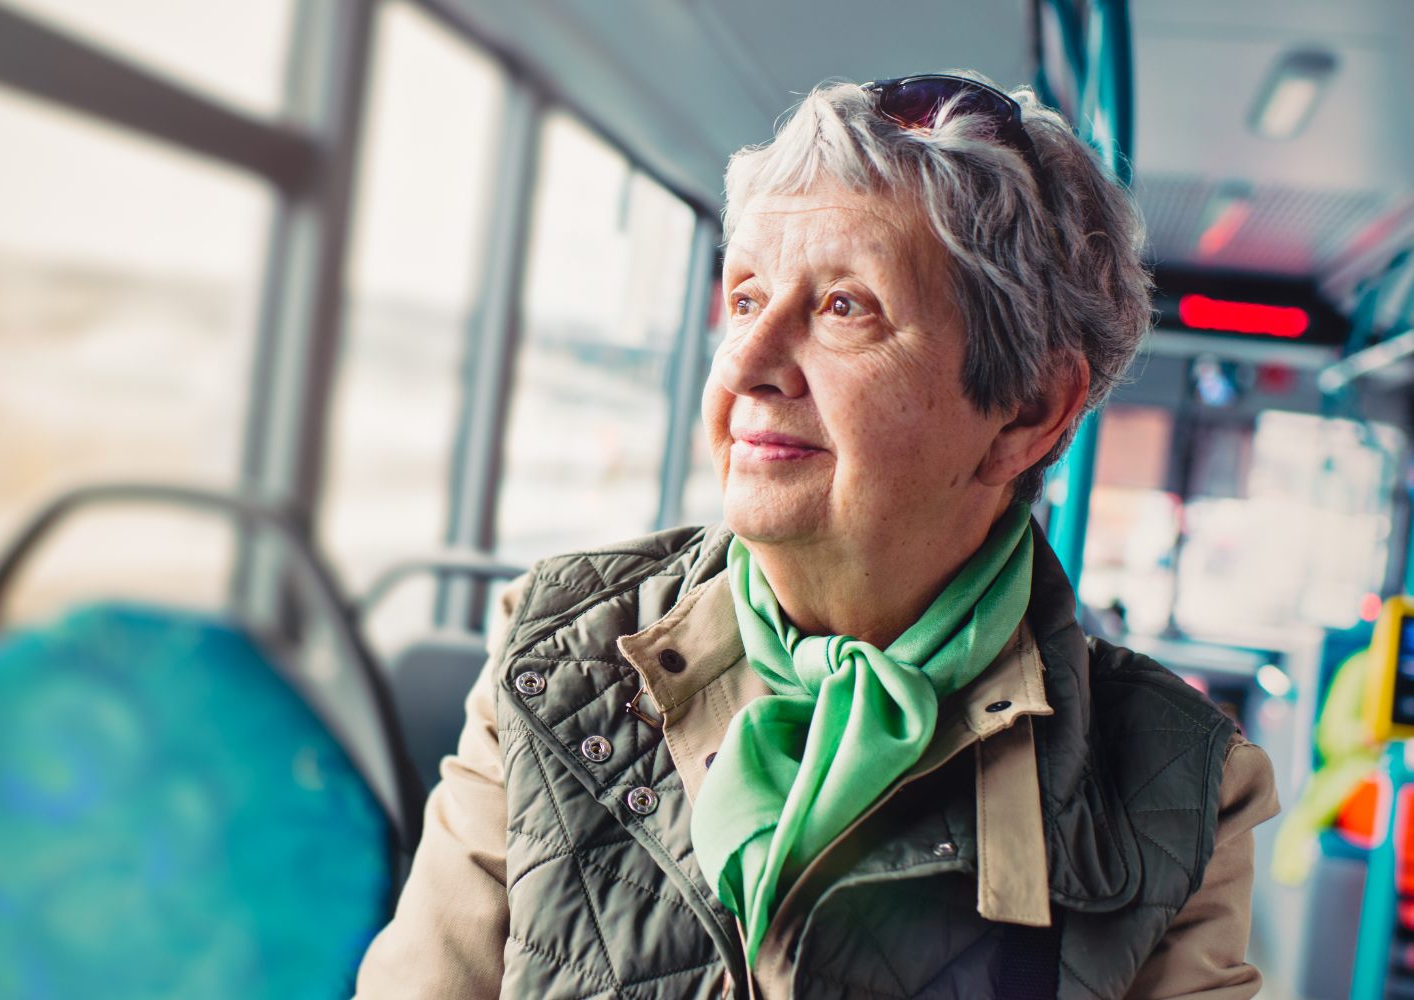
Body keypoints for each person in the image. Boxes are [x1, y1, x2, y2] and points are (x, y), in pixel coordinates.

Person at [354, 73, 1279, 999]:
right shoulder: (558, 646)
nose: (749, 364)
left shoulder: (1180, 786)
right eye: (747, 298)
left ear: (1027, 412)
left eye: (846, 307)